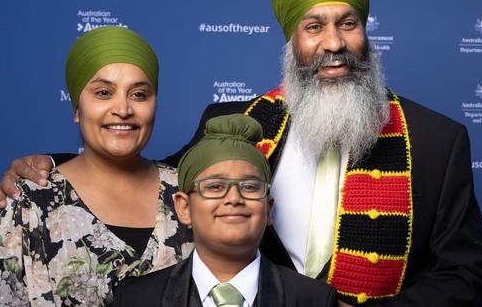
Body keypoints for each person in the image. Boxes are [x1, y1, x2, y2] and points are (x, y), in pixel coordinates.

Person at [0, 0, 482, 305]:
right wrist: (54, 168)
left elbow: (465, 274)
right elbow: (154, 179)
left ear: (365, 30)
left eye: (348, 23)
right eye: (313, 27)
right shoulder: (237, 123)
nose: (333, 44)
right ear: (291, 39)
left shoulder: (436, 141)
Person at [0, 26, 193, 306]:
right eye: (104, 93)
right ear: (76, 107)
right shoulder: (30, 203)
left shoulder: (190, 194)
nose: (123, 108)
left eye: (139, 94)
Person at [111, 114, 337, 306]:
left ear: (268, 210)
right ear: (184, 207)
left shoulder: (314, 298)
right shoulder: (136, 297)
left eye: (249, 187)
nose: (234, 198)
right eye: (215, 186)